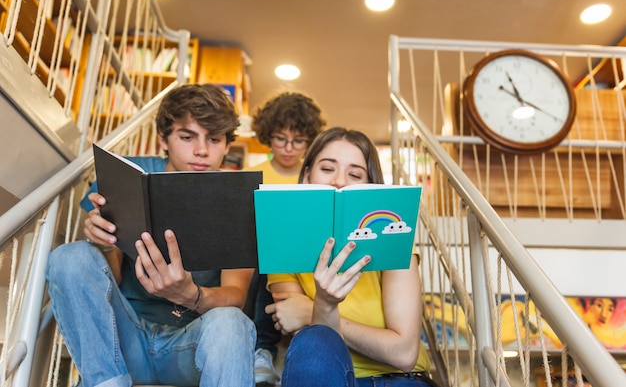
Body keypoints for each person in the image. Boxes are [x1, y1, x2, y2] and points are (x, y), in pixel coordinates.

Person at [46, 84, 256, 387]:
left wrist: (190, 295)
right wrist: (103, 243)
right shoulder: (129, 174)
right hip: (125, 338)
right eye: (187, 137)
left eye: (214, 139)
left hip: (190, 345)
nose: (201, 151)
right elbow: (112, 276)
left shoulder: (238, 193)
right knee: (70, 256)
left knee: (231, 321)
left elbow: (236, 295)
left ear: (227, 145)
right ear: (163, 139)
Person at [265, 127, 434, 387]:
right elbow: (310, 344)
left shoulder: (394, 242)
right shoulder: (283, 246)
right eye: (327, 168)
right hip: (327, 377)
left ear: (369, 187)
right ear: (308, 175)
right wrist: (325, 302)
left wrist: (315, 309)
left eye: (355, 174)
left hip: (398, 380)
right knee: (312, 342)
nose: (339, 181)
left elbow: (403, 353)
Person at [244, 91, 326, 385]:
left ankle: (286, 347)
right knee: (268, 260)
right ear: (268, 136)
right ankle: (262, 350)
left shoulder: (317, 177)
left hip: (309, 258)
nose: (289, 148)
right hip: (265, 257)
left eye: (299, 141)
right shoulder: (252, 175)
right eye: (280, 139)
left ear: (310, 140)